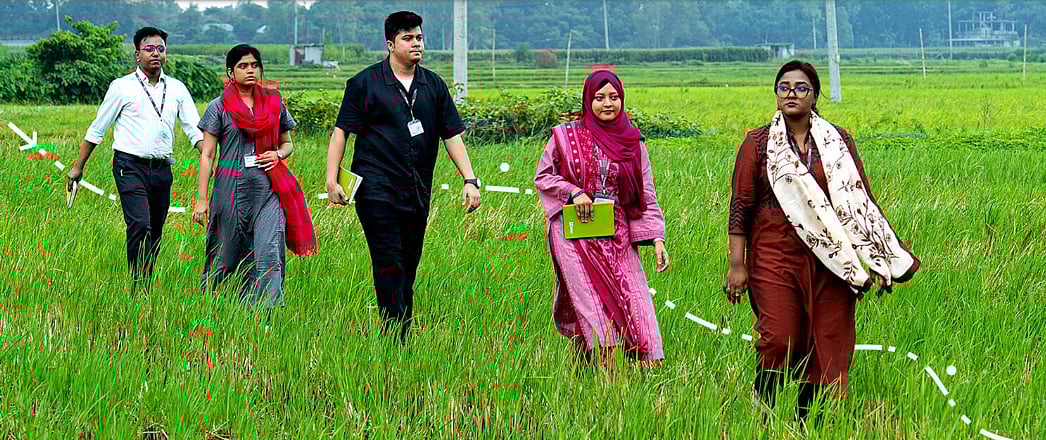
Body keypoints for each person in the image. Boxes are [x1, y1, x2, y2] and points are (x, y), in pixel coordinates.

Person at [726, 60, 921, 422]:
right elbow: (741, 205)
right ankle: (763, 406)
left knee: (826, 339)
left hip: (832, 259)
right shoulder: (758, 142)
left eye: (801, 88)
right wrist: (737, 266)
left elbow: (861, 202)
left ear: (814, 96)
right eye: (783, 87)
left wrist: (880, 258)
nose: (791, 94)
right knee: (779, 335)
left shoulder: (839, 141)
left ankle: (807, 420)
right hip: (775, 255)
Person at [325, 11, 481, 342]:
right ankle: (396, 338)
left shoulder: (433, 85)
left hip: (416, 190)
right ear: (390, 44)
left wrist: (469, 178)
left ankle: (400, 331)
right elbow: (342, 132)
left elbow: (451, 134)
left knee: (408, 267)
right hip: (376, 190)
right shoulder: (365, 83)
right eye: (408, 38)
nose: (416, 44)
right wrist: (331, 179)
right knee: (389, 263)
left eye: (419, 38)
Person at [535, 70, 670, 369]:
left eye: (614, 97)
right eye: (599, 98)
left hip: (617, 233)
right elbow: (544, 177)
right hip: (575, 234)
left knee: (635, 304)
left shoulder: (633, 143)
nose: (607, 104)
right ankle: (608, 389)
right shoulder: (565, 137)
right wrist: (572, 192)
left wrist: (657, 238)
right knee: (594, 309)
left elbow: (645, 192)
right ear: (587, 100)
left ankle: (634, 386)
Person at [67, 26, 204, 292]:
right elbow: (98, 128)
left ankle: (145, 284)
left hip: (162, 169)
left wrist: (209, 155)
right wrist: (77, 167)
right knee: (139, 224)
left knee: (155, 230)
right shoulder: (122, 87)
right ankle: (137, 285)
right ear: (137, 54)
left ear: (166, 54)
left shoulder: (176, 88)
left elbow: (194, 129)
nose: (156, 54)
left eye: (160, 49)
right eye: (149, 49)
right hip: (129, 166)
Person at [192, 44, 315, 307]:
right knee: (225, 254)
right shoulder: (219, 107)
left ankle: (267, 311)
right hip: (230, 188)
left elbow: (288, 143)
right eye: (242, 66)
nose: (250, 70)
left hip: (268, 188)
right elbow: (207, 154)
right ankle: (215, 304)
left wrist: (278, 155)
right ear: (230, 71)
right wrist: (202, 199)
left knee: (269, 250)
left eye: (254, 65)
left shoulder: (273, 102)